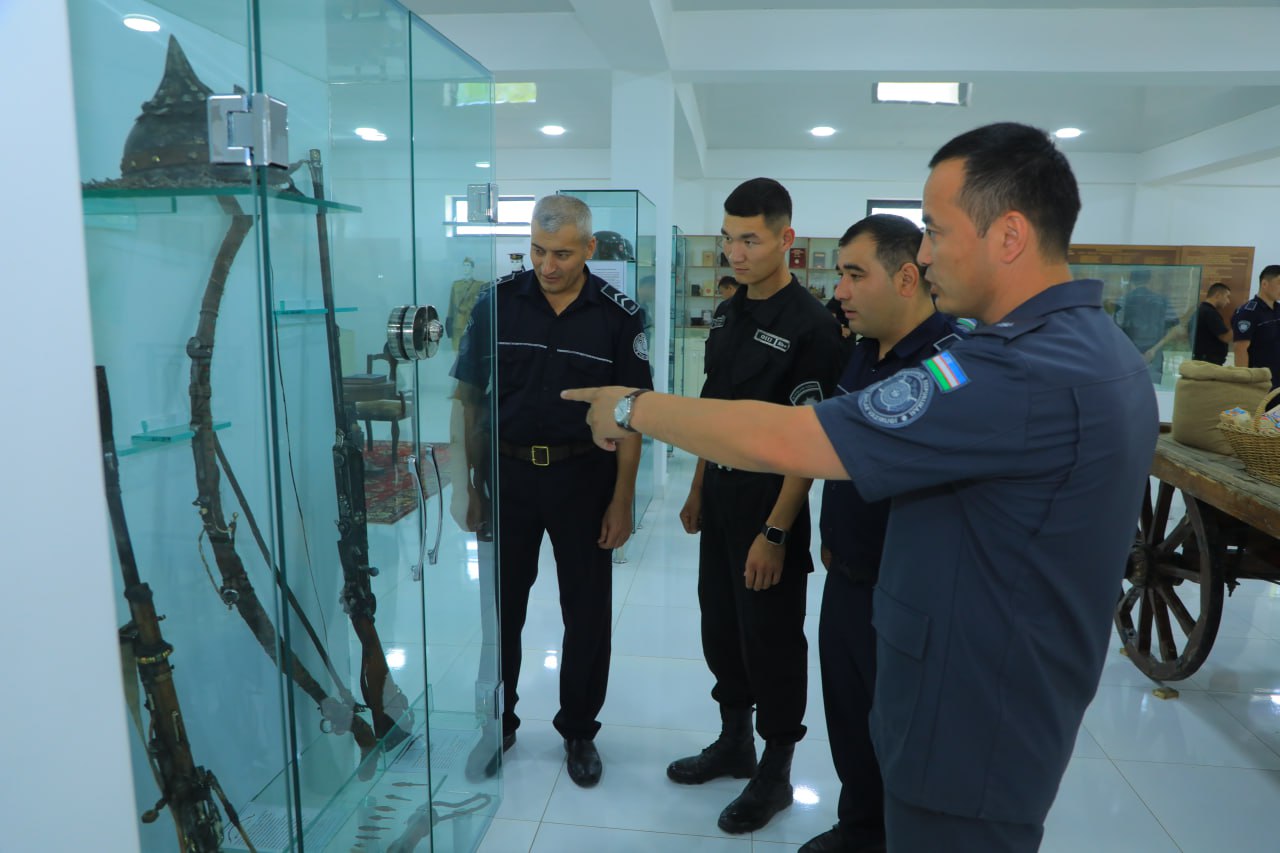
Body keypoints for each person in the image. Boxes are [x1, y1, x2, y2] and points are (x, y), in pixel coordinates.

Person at [564, 122, 1158, 852]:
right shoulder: (1083, 348)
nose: (925, 253)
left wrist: (633, 407)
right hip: (973, 686)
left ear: (1009, 235)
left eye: (936, 230)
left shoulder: (1017, 370)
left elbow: (799, 439)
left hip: (971, 714)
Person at [452, 194, 653, 788]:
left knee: (586, 612)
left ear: (590, 248)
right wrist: (467, 485)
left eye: (562, 254)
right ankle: (499, 723)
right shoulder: (496, 302)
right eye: (538, 251)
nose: (547, 265)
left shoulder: (618, 316)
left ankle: (580, 730)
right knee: (501, 611)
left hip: (582, 478)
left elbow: (632, 416)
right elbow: (468, 398)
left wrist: (623, 499)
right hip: (509, 476)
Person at [666, 178, 842, 834]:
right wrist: (697, 486)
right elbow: (714, 409)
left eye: (750, 240)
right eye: (728, 239)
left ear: (785, 239)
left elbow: (811, 442)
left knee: (770, 636)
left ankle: (775, 770)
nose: (735, 254)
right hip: (721, 493)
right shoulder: (729, 311)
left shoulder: (812, 326)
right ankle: (735, 740)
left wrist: (775, 531)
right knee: (721, 624)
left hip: (771, 499)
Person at [802, 214, 962, 853]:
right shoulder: (863, 351)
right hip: (848, 577)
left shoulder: (951, 363)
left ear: (905, 278)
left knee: (906, 734)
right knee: (849, 719)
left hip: (909, 594)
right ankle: (860, 829)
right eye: (840, 274)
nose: (839, 291)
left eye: (854, 274)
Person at [1115, 268, 1178, 381]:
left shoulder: (1122, 301)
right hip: (1154, 357)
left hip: (1128, 356)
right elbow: (1175, 329)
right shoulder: (1163, 301)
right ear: (1149, 280)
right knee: (1154, 389)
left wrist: (1132, 352)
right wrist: (1153, 350)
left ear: (1131, 280)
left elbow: (1116, 330)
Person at [1232, 264, 1280, 386]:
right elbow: (1240, 349)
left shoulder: (1278, 309)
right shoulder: (1247, 312)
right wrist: (1244, 382)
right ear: (1264, 284)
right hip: (1261, 382)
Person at [445, 258, 487, 349]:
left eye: (468, 265)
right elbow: (451, 306)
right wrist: (449, 320)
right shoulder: (456, 285)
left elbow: (483, 306)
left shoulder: (480, 285)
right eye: (464, 265)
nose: (465, 268)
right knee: (457, 349)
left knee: (473, 348)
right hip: (458, 323)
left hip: (473, 322)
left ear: (472, 268)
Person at [1191, 282, 1232, 364]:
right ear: (1218, 295)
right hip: (1208, 363)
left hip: (1204, 361)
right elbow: (1225, 337)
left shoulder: (1202, 310)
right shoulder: (1209, 312)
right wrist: (1240, 324)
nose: (1228, 301)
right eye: (1227, 297)